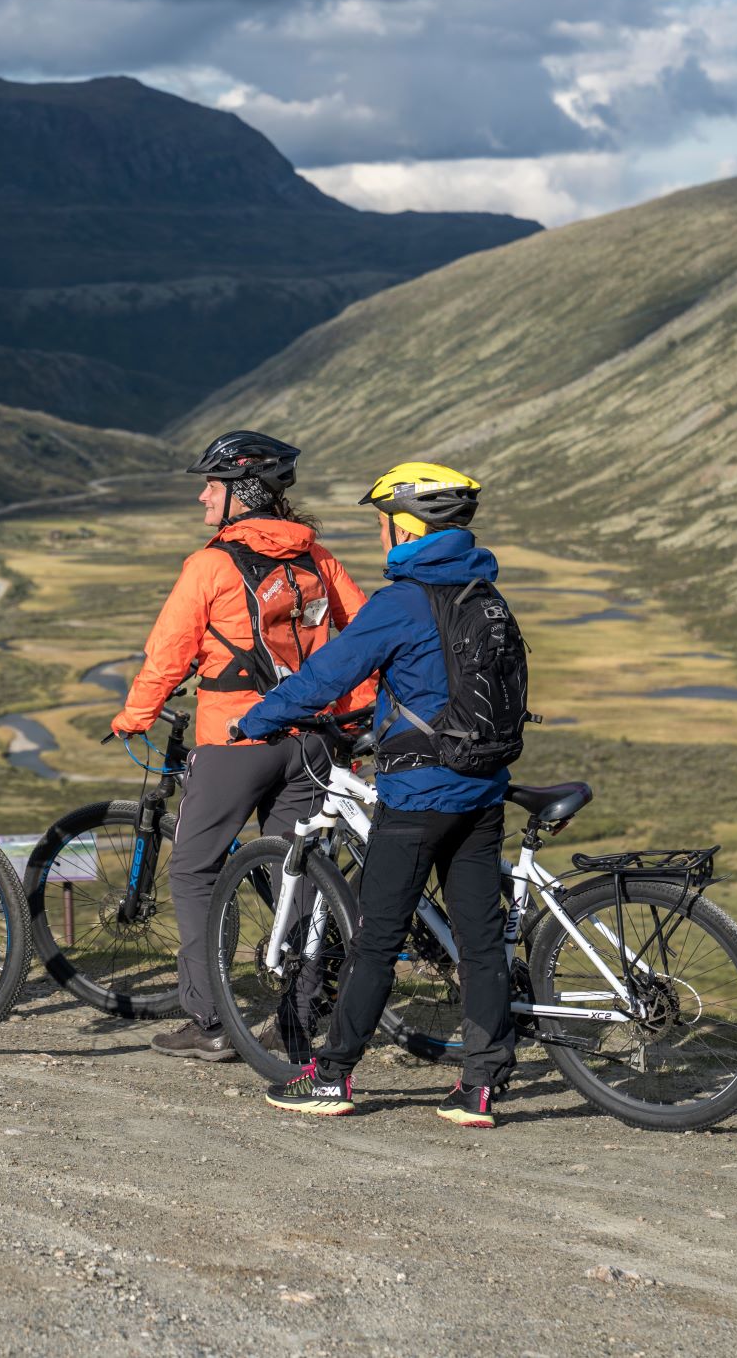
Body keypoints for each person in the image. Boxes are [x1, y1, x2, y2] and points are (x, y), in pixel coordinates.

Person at [231, 462, 515, 1127]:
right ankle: (478, 1087)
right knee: (478, 944)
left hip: (418, 794)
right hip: (481, 787)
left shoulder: (403, 600)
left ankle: (331, 1078)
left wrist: (258, 719)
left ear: (406, 524)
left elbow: (327, 672)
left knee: (375, 939)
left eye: (383, 520)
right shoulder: (484, 592)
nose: (381, 532)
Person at [111, 430, 371, 1062]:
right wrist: (357, 714)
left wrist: (134, 716)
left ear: (241, 493)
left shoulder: (210, 565)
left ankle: (209, 1021)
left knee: (197, 870)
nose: (203, 496)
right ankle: (295, 1021)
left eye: (212, 485)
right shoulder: (317, 559)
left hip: (234, 739)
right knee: (299, 874)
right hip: (312, 744)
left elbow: (169, 652)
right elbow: (365, 638)